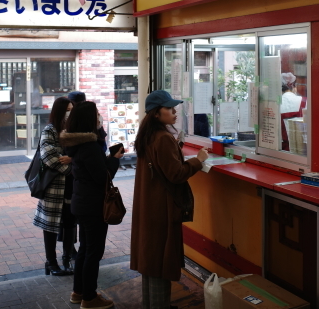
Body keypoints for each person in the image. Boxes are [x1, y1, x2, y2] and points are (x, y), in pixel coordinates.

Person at [130, 90, 208, 309]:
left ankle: (153, 304)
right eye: (169, 109)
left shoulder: (149, 135)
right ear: (156, 113)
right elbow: (176, 174)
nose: (174, 112)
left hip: (149, 206)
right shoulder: (163, 137)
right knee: (159, 261)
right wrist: (198, 161)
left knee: (151, 261)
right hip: (161, 208)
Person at [62, 101, 124, 309]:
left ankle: (78, 292)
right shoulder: (89, 146)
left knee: (85, 249)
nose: (100, 117)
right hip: (92, 204)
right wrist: (114, 159)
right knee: (93, 252)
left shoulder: (78, 143)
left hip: (82, 201)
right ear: (90, 120)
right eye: (97, 115)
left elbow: (92, 170)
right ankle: (89, 297)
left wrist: (106, 156)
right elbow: (102, 177)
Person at [33, 96, 76, 276]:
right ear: (60, 111)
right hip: (53, 185)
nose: (70, 113)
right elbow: (49, 156)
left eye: (72, 109)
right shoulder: (49, 130)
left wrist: (73, 160)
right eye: (68, 109)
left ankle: (67, 257)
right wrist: (70, 168)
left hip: (71, 186)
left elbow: (79, 154)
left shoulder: (73, 129)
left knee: (69, 223)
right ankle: (51, 262)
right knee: (50, 225)